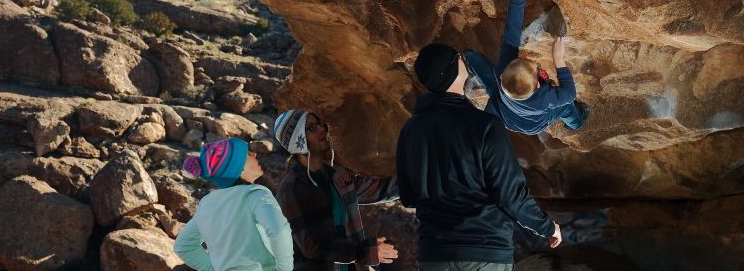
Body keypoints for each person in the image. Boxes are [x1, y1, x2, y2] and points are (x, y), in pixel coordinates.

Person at [396, 41, 562, 270]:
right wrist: (548, 227)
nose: (463, 61)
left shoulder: (411, 129)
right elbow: (510, 194)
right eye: (459, 59)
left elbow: (408, 196)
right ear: (451, 71)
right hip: (485, 251)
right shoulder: (483, 125)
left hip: (434, 253)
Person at [471, 0, 589, 134]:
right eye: (534, 68)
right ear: (538, 85)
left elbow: (512, 28)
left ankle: (469, 59)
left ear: (503, 75)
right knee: (566, 107)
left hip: (507, 115)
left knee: (475, 61)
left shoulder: (502, 70)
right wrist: (559, 59)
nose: (531, 61)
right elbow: (569, 94)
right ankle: (576, 123)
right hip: (533, 125)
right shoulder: (546, 99)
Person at [274, 109, 399, 270]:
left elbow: (381, 189)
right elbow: (314, 246)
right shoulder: (292, 188)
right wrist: (364, 251)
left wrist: (423, 177)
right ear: (297, 141)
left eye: (320, 124)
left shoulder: (337, 176)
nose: (322, 129)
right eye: (312, 128)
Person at [174, 137, 293, 271]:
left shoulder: (207, 204)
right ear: (239, 168)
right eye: (248, 154)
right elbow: (279, 230)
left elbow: (183, 246)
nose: (254, 154)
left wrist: (212, 268)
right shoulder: (255, 194)